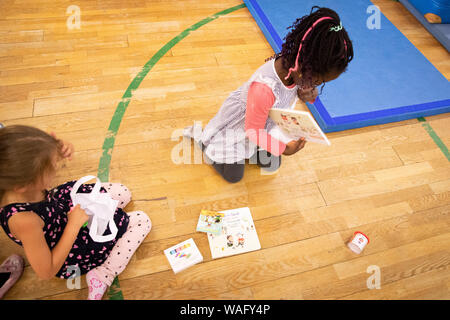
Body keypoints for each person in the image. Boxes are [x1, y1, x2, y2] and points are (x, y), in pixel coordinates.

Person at [184, 6, 353, 183]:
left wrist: (310, 95)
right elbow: (252, 130)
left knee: (272, 164)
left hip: (264, 124)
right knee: (233, 177)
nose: (315, 84)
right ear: (304, 65)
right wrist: (284, 149)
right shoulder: (264, 88)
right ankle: (205, 143)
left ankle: (250, 151)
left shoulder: (298, 71)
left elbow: (307, 96)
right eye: (316, 80)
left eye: (320, 83)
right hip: (242, 128)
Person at [0, 125, 152, 300]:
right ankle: (103, 275)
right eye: (52, 168)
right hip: (68, 243)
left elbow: (37, 157)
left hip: (63, 209)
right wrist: (73, 224)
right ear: (23, 186)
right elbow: (46, 271)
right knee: (142, 221)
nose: (57, 166)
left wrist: (57, 147)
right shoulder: (24, 221)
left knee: (123, 193)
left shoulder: (15, 180)